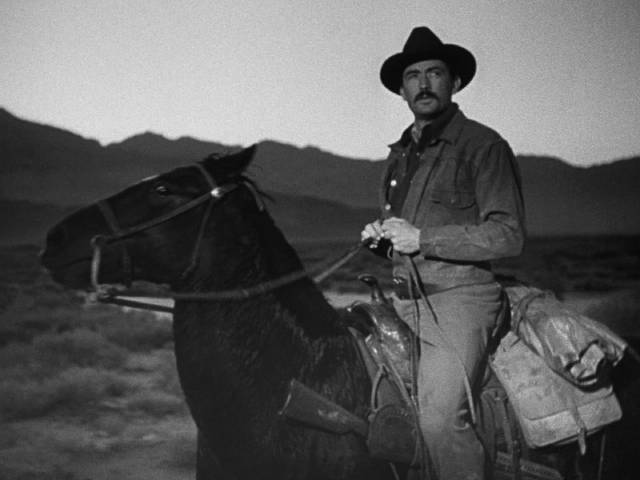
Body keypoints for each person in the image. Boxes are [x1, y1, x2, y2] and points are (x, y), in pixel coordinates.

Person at [361, 26, 525, 480]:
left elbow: (508, 235)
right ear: (401, 89)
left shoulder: (482, 145)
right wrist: (385, 241)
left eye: (435, 72)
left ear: (454, 82)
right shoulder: (399, 157)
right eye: (413, 75)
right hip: (403, 301)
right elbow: (407, 238)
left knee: (437, 418)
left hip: (459, 301)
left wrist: (423, 239)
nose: (424, 83)